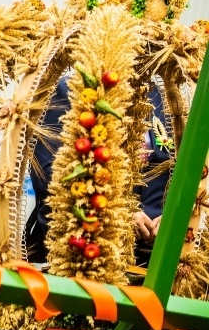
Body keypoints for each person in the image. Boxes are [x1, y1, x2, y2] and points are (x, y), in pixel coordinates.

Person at [25, 75, 171, 266]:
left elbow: (174, 171)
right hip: (80, 252)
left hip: (153, 260)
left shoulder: (161, 97)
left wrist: (171, 217)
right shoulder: (70, 89)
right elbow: (50, 175)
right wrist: (116, 214)